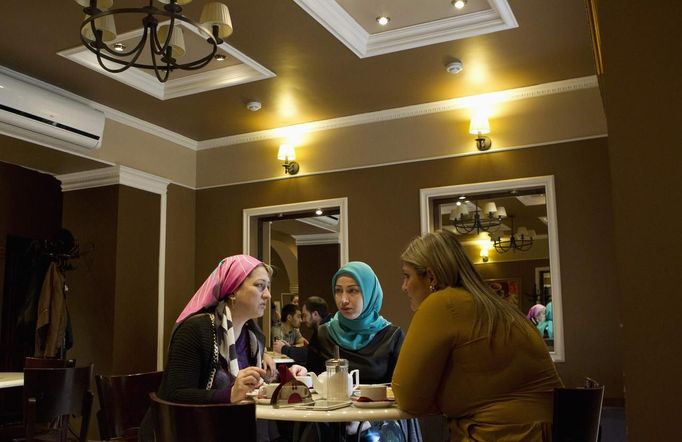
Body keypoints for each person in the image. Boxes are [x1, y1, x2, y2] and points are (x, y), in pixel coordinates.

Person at [393, 230, 563, 441]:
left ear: (431, 276)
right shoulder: (495, 305)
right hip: (548, 430)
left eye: (407, 276)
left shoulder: (442, 303)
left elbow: (408, 397)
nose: (404, 287)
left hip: (507, 434)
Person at [138, 254, 306, 441]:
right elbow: (174, 394)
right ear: (233, 291)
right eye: (260, 286)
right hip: (186, 431)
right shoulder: (197, 330)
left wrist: (286, 374)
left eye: (267, 287)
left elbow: (251, 384)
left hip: (227, 427)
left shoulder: (254, 334)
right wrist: (229, 394)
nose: (268, 294)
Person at [306, 261, 422, 442]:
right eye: (338, 291)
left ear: (369, 293)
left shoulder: (391, 336)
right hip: (331, 424)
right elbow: (313, 389)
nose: (343, 299)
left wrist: (368, 420)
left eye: (353, 291)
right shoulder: (324, 334)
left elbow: (403, 393)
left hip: (381, 425)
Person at [274, 296, 332, 364]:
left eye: (305, 315)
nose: (303, 320)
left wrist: (285, 349)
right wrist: (289, 348)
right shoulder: (323, 327)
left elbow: (310, 355)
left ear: (315, 314)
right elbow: (311, 351)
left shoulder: (325, 330)